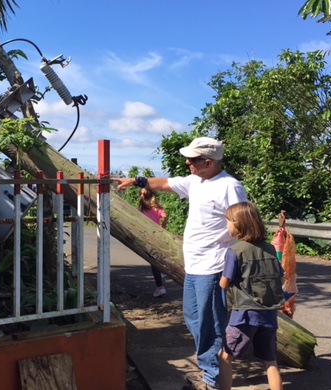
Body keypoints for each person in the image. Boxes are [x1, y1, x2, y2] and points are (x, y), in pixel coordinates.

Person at [114, 137, 247, 390]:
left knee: (211, 322)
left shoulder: (230, 186)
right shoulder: (196, 180)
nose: (187, 162)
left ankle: (212, 377)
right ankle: (211, 368)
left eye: (192, 159)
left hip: (214, 265)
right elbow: (164, 183)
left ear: (208, 162)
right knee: (193, 318)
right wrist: (136, 181)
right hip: (195, 265)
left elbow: (242, 223)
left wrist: (231, 253)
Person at [218, 201, 284, 390]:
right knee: (270, 362)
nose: (227, 225)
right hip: (269, 315)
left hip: (244, 316)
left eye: (228, 221)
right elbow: (281, 276)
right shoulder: (270, 249)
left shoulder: (235, 251)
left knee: (224, 357)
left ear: (239, 224)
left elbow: (224, 282)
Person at [138, 187, 168, 297]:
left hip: (148, 237)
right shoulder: (156, 208)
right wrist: (162, 229)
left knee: (153, 262)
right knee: (158, 258)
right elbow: (165, 216)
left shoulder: (142, 209)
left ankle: (160, 287)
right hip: (158, 236)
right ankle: (162, 275)